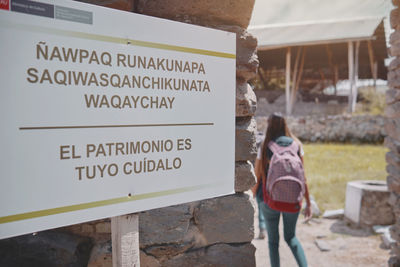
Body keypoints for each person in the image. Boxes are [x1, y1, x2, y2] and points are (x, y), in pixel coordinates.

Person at [252, 113, 312, 267]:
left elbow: (258, 176)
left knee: (273, 242)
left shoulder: (266, 145)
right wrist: (308, 203)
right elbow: (303, 176)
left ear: (269, 125)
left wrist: (252, 196)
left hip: (269, 200)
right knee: (291, 237)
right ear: (285, 124)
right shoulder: (296, 145)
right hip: (293, 199)